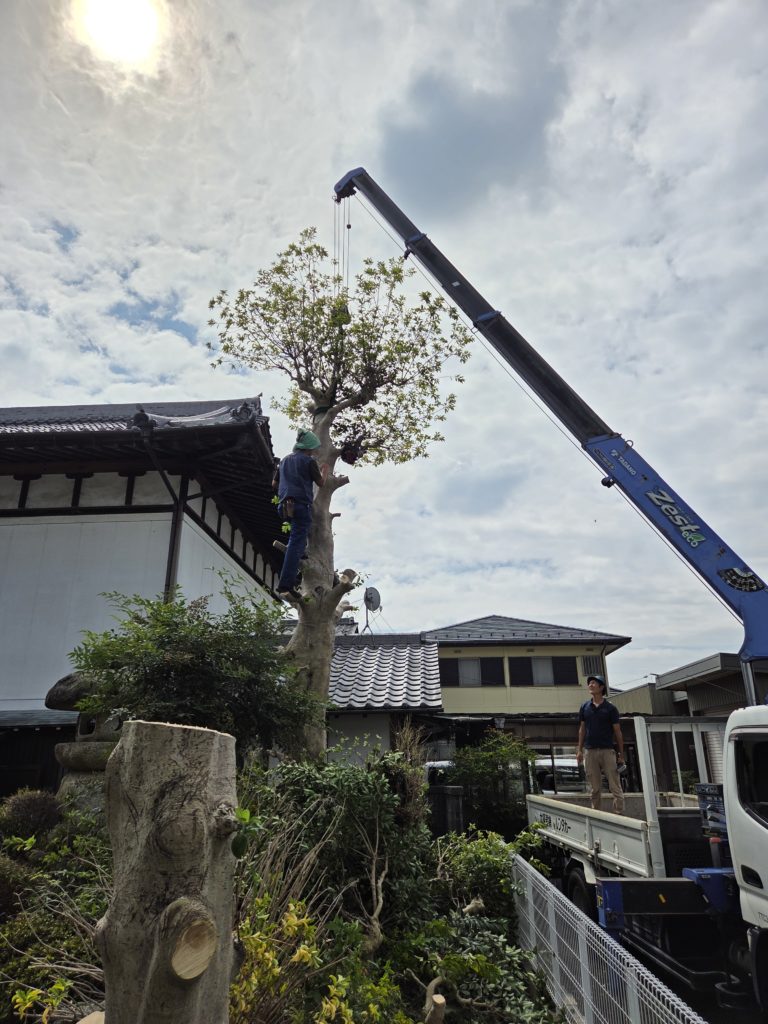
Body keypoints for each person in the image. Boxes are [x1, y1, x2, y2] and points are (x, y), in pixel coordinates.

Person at [274, 429, 327, 597]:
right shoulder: (309, 461)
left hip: (283, 505)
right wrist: (324, 471)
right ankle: (285, 585)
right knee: (295, 543)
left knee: (297, 540)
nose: (314, 451)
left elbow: (274, 483)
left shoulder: (284, 461)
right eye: (313, 448)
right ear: (308, 448)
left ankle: (302, 552)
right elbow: (321, 483)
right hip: (300, 505)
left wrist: (288, 486)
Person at [576, 674, 625, 814]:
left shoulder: (610, 708)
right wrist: (579, 750)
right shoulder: (585, 706)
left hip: (607, 750)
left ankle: (619, 814)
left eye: (593, 683)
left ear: (601, 687)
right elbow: (582, 729)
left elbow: (618, 731)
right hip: (589, 751)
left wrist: (621, 754)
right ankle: (596, 815)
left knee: (615, 786)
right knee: (594, 787)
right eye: (589, 683)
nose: (590, 685)